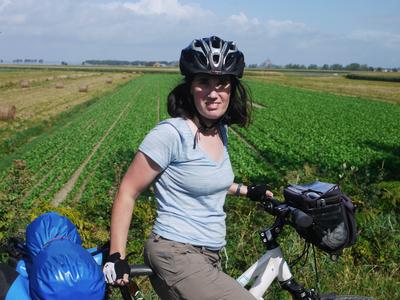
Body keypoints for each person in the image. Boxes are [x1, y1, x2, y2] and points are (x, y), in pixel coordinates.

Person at [103, 36, 273, 300]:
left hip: (209, 254)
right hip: (175, 253)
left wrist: (247, 191)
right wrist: (117, 256)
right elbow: (127, 191)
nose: (213, 93)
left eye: (222, 83)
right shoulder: (171, 134)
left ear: (232, 88)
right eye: (203, 82)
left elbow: (203, 180)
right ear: (190, 87)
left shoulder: (220, 132)